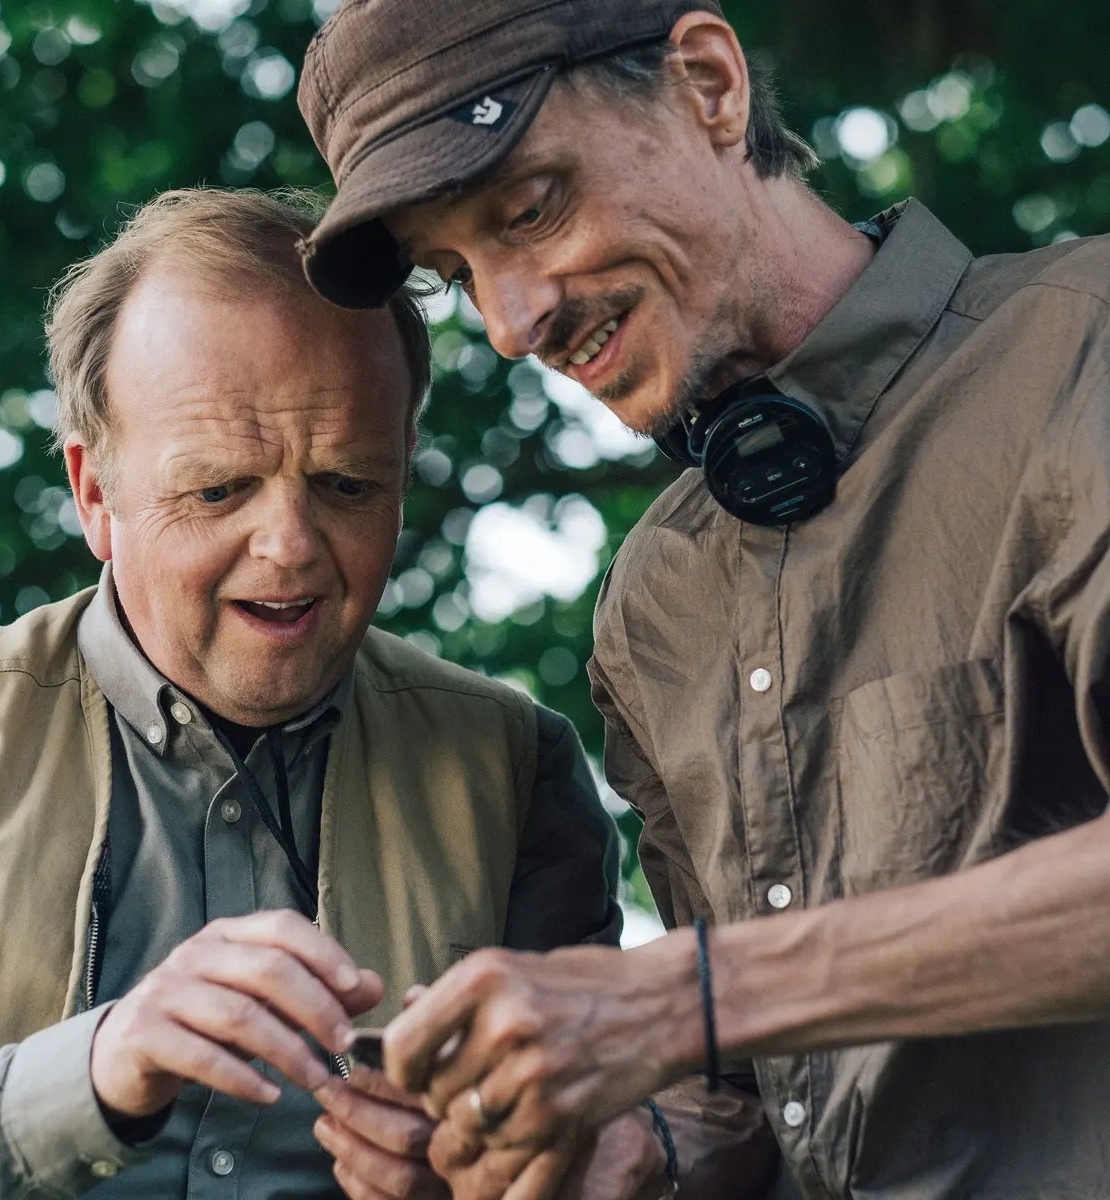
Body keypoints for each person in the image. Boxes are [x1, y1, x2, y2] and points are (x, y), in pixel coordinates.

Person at [295, 1, 1110, 1197]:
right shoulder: (649, 608)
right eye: (457, 274)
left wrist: (686, 996)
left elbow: (701, 1006)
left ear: (710, 86)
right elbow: (747, 1102)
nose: (514, 323)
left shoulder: (1085, 348)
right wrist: (615, 1152)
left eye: (530, 209)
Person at [0, 186, 627, 1200]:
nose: (289, 547)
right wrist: (105, 1066)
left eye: (346, 484)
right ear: (94, 495)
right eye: (218, 489)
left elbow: (613, 1146)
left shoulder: (518, 767)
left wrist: (499, 1171)